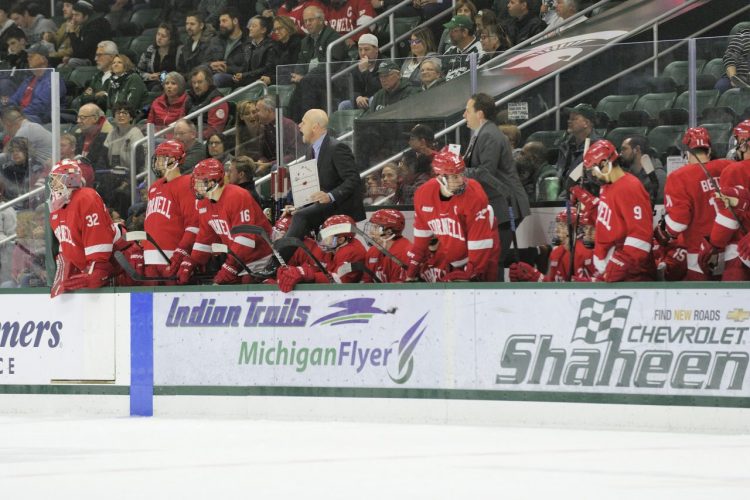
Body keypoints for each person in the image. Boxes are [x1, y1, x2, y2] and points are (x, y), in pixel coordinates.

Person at [277, 109, 365, 263]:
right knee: (296, 215)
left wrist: (330, 196)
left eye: (304, 122)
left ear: (315, 127)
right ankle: (305, 264)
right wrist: (300, 205)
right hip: (324, 207)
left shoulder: (337, 148)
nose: (299, 126)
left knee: (301, 216)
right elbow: (314, 188)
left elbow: (353, 180)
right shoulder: (310, 151)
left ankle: (277, 261)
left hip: (340, 207)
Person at [406, 148, 499, 282]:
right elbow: (421, 240)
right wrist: (411, 272)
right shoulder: (423, 194)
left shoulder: (475, 194)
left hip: (484, 249)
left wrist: (471, 273)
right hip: (454, 256)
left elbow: (479, 241)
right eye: (455, 176)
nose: (461, 180)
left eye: (462, 174)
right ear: (440, 177)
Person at [463, 93, 530, 280]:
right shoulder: (481, 133)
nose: (464, 115)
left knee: (495, 258)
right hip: (499, 204)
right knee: (493, 257)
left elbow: (485, 172)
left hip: (506, 204)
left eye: (468, 111)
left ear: (480, 114)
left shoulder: (489, 135)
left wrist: (459, 173)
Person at [176, 158, 273, 285]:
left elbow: (245, 239)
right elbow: (205, 239)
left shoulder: (238, 195)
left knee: (246, 283)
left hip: (262, 258)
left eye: (199, 181)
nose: (195, 186)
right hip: (239, 261)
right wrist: (191, 261)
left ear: (213, 181)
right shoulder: (204, 203)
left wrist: (230, 267)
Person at [656, 127, 732, 281]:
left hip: (699, 253)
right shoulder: (728, 167)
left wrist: (664, 230)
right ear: (709, 150)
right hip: (730, 249)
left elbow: (678, 222)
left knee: (701, 301)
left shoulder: (678, 177)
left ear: (686, 153)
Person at [573, 139, 654, 282]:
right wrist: (583, 197)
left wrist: (620, 264)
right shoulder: (607, 186)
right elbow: (608, 220)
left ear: (604, 164)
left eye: (593, 169)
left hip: (630, 275)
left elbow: (640, 234)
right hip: (611, 270)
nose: (593, 175)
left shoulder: (630, 187)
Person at [48, 159, 116, 296]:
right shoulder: (56, 212)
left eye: (58, 180)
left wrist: (97, 269)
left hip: (117, 264)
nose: (54, 186)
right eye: (53, 181)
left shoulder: (86, 197)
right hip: (89, 268)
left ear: (71, 180)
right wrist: (64, 276)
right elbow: (67, 250)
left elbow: (98, 238)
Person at [141, 140, 199, 279]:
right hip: (150, 256)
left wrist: (181, 252)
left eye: (160, 158)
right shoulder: (154, 187)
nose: (156, 163)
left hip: (171, 256)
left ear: (173, 160)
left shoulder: (186, 184)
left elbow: (193, 224)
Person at [702, 121, 750, 281]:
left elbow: (729, 217)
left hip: (741, 255)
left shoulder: (735, 170)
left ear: (744, 144)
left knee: (734, 302)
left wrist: (714, 246)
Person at [275, 214, 367, 292]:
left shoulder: (352, 251)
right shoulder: (331, 249)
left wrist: (305, 274)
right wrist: (290, 271)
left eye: (327, 237)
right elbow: (314, 268)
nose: (323, 240)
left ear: (340, 239)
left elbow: (338, 280)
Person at [288, 5, 346, 120]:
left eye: (311, 20)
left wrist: (305, 77)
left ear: (321, 20)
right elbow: (301, 61)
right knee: (296, 88)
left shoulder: (334, 37)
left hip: (330, 81)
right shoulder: (305, 41)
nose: (308, 23)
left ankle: (307, 121)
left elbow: (331, 64)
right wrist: (298, 75)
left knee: (306, 83)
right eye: (305, 21)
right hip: (308, 81)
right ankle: (294, 125)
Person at [509, 207, 595, 282]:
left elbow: (603, 285)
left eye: (562, 226)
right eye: (558, 226)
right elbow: (552, 286)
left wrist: (580, 283)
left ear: (576, 229)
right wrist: (534, 276)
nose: (556, 230)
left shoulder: (589, 253)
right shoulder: (556, 253)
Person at [9, 42, 67, 123]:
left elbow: (42, 106)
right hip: (23, 116)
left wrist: (19, 114)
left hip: (41, 119)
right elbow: (14, 99)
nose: (28, 58)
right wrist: (8, 111)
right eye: (28, 56)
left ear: (43, 59)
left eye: (32, 56)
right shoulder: (28, 80)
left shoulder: (53, 79)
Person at [555, 102, 601, 185]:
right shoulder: (565, 145)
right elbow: (559, 171)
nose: (569, 121)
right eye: (569, 119)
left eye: (574, 119)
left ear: (586, 123)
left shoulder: (598, 147)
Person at [362, 208, 411, 283]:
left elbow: (398, 291)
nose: (371, 232)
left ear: (389, 231)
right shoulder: (372, 251)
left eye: (376, 228)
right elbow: (366, 283)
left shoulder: (404, 253)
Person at [255, 94, 302, 169]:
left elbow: (295, 154)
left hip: (289, 168)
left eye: (258, 110)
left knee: (275, 167)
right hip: (271, 166)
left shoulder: (289, 126)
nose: (255, 114)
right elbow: (263, 153)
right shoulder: (264, 127)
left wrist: (270, 164)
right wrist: (262, 161)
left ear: (269, 111)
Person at [338, 33, 382, 111]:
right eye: (360, 49)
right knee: (344, 105)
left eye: (366, 49)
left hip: (378, 100)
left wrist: (365, 71)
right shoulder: (355, 66)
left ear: (376, 50)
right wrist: (358, 97)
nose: (362, 53)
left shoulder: (383, 64)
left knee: (372, 100)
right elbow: (352, 89)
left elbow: (378, 88)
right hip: (361, 101)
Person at [619, 134, 666, 204]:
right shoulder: (626, 174)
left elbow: (659, 209)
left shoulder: (658, 177)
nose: (620, 154)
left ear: (637, 150)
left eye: (624, 149)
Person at [64, 0, 112, 68]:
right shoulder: (85, 25)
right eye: (73, 15)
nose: (73, 18)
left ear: (86, 16)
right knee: (62, 65)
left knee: (73, 62)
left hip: (97, 60)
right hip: (88, 58)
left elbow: (81, 53)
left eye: (77, 15)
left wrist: (72, 33)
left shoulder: (96, 27)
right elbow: (79, 50)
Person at [185, 66, 229, 139]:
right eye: (194, 82)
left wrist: (190, 136)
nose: (196, 86)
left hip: (202, 142)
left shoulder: (218, 101)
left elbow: (214, 130)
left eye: (200, 82)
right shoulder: (190, 98)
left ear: (208, 82)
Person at [210, 8, 248, 88]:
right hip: (213, 73)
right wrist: (211, 65)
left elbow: (247, 68)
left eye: (224, 21)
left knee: (217, 78)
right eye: (220, 21)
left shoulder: (247, 41)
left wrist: (227, 69)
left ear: (235, 21)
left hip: (234, 77)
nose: (221, 24)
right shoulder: (216, 40)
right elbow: (204, 61)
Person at [137, 22, 182, 91]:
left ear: (171, 39)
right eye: (158, 34)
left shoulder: (180, 51)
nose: (159, 38)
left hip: (173, 85)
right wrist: (149, 76)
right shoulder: (150, 50)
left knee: (156, 88)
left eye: (163, 36)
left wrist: (167, 78)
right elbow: (138, 71)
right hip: (153, 83)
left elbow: (183, 74)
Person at [103, 102, 144, 171]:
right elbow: (103, 156)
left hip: (132, 174)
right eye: (118, 113)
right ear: (114, 117)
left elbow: (139, 162)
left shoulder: (135, 133)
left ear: (131, 118)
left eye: (124, 113)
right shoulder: (112, 133)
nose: (121, 115)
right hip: (113, 172)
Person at [441, 15, 483, 82]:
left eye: (453, 30)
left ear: (465, 32)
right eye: (449, 30)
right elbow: (440, 74)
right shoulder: (450, 51)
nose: (450, 34)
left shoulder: (480, 50)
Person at [79, 40, 118, 109]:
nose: (95, 59)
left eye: (99, 55)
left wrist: (91, 97)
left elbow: (107, 102)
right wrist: (96, 95)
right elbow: (83, 99)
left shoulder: (119, 76)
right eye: (96, 55)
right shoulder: (97, 76)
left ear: (112, 57)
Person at [716, 27, 750, 92]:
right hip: (740, 76)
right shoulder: (744, 35)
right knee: (721, 86)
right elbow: (729, 57)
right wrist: (733, 78)